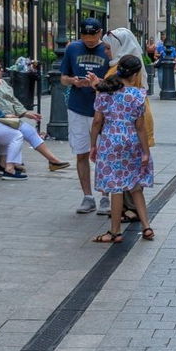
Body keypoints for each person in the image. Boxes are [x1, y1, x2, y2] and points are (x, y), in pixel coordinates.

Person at [89, 55, 154, 244]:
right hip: (132, 139)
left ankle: (115, 232)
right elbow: (140, 126)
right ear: (135, 75)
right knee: (135, 185)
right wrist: (145, 151)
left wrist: (93, 144)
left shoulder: (105, 93)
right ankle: (147, 227)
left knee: (116, 187)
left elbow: (97, 122)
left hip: (110, 140)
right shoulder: (138, 95)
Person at [0, 57, 70, 173]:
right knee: (24, 132)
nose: (1, 70)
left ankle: (4, 164)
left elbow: (13, 100)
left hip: (7, 118)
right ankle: (51, 160)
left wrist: (25, 112)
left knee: (24, 130)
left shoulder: (2, 83)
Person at [61, 18, 112, 214]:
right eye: (85, 36)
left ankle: (105, 196)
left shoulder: (108, 49)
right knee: (81, 153)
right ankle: (87, 196)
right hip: (77, 107)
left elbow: (116, 80)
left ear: (100, 33)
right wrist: (73, 80)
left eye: (93, 36)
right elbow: (63, 78)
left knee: (103, 153)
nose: (89, 40)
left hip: (102, 109)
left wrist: (99, 83)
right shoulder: (73, 49)